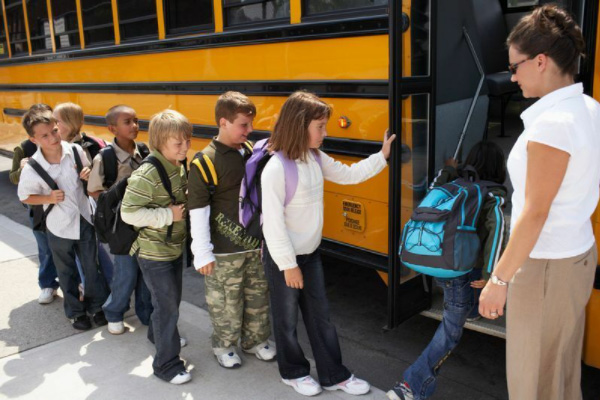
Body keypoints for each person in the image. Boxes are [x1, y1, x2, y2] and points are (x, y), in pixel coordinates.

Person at [478, 6, 600, 400]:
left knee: (533, 381)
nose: (511, 76)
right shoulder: (590, 109)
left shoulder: (552, 125)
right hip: (577, 255)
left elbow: (534, 213)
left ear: (541, 61)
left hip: (547, 265)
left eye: (515, 66)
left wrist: (499, 280)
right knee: (561, 374)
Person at [261, 91, 395, 397]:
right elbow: (274, 224)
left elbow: (349, 175)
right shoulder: (276, 169)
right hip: (285, 258)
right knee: (286, 319)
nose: (326, 133)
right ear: (299, 125)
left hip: (310, 255)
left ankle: (334, 375)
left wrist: (382, 156)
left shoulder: (315, 157)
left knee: (321, 317)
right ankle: (293, 372)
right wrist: (288, 265)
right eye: (320, 126)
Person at [386, 141, 508, 400]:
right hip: (462, 270)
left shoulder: (450, 185)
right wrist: (491, 276)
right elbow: (496, 229)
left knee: (462, 303)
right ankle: (412, 385)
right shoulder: (492, 193)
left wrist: (450, 168)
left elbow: (435, 184)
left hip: (439, 262)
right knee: (451, 330)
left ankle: (471, 309)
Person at [188, 91, 274, 368]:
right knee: (226, 304)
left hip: (254, 244)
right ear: (223, 122)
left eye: (250, 124)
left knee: (257, 298)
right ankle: (224, 345)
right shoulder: (205, 161)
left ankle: (255, 340)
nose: (249, 131)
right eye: (243, 125)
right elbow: (198, 210)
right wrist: (201, 252)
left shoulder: (250, 152)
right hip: (224, 251)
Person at [17, 105, 109, 330]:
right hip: (58, 226)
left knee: (91, 267)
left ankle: (97, 307)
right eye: (45, 136)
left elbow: (88, 174)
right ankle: (76, 312)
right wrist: (48, 197)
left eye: (54, 131)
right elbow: (25, 196)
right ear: (34, 139)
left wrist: (87, 175)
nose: (53, 138)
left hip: (84, 220)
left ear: (59, 127)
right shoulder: (33, 166)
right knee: (66, 271)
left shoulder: (75, 151)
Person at [121, 109, 191, 385]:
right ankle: (166, 364)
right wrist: (167, 216)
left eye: (188, 140)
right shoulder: (147, 174)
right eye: (179, 143)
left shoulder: (177, 163)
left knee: (169, 303)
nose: (185, 147)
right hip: (153, 252)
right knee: (167, 306)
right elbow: (129, 213)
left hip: (173, 247)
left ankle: (159, 335)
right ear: (160, 142)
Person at [87, 105, 153, 335]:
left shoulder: (144, 151)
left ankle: (146, 314)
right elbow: (94, 190)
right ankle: (114, 311)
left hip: (145, 222)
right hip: (121, 227)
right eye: (128, 122)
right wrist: (118, 200)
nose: (135, 125)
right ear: (112, 128)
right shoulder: (105, 157)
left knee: (147, 271)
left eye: (136, 120)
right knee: (126, 272)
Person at [53, 102, 114, 286]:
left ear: (70, 122)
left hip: (90, 208)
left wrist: (89, 174)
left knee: (93, 251)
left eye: (57, 121)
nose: (53, 126)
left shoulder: (93, 145)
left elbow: (105, 178)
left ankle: (104, 289)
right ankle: (90, 287)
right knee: (83, 253)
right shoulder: (53, 147)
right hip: (67, 209)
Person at [10, 103, 59, 304]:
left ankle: (75, 283)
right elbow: (13, 177)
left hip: (62, 202)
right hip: (39, 207)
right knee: (46, 247)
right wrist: (23, 169)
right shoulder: (24, 148)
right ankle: (47, 284)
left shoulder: (61, 143)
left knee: (70, 247)